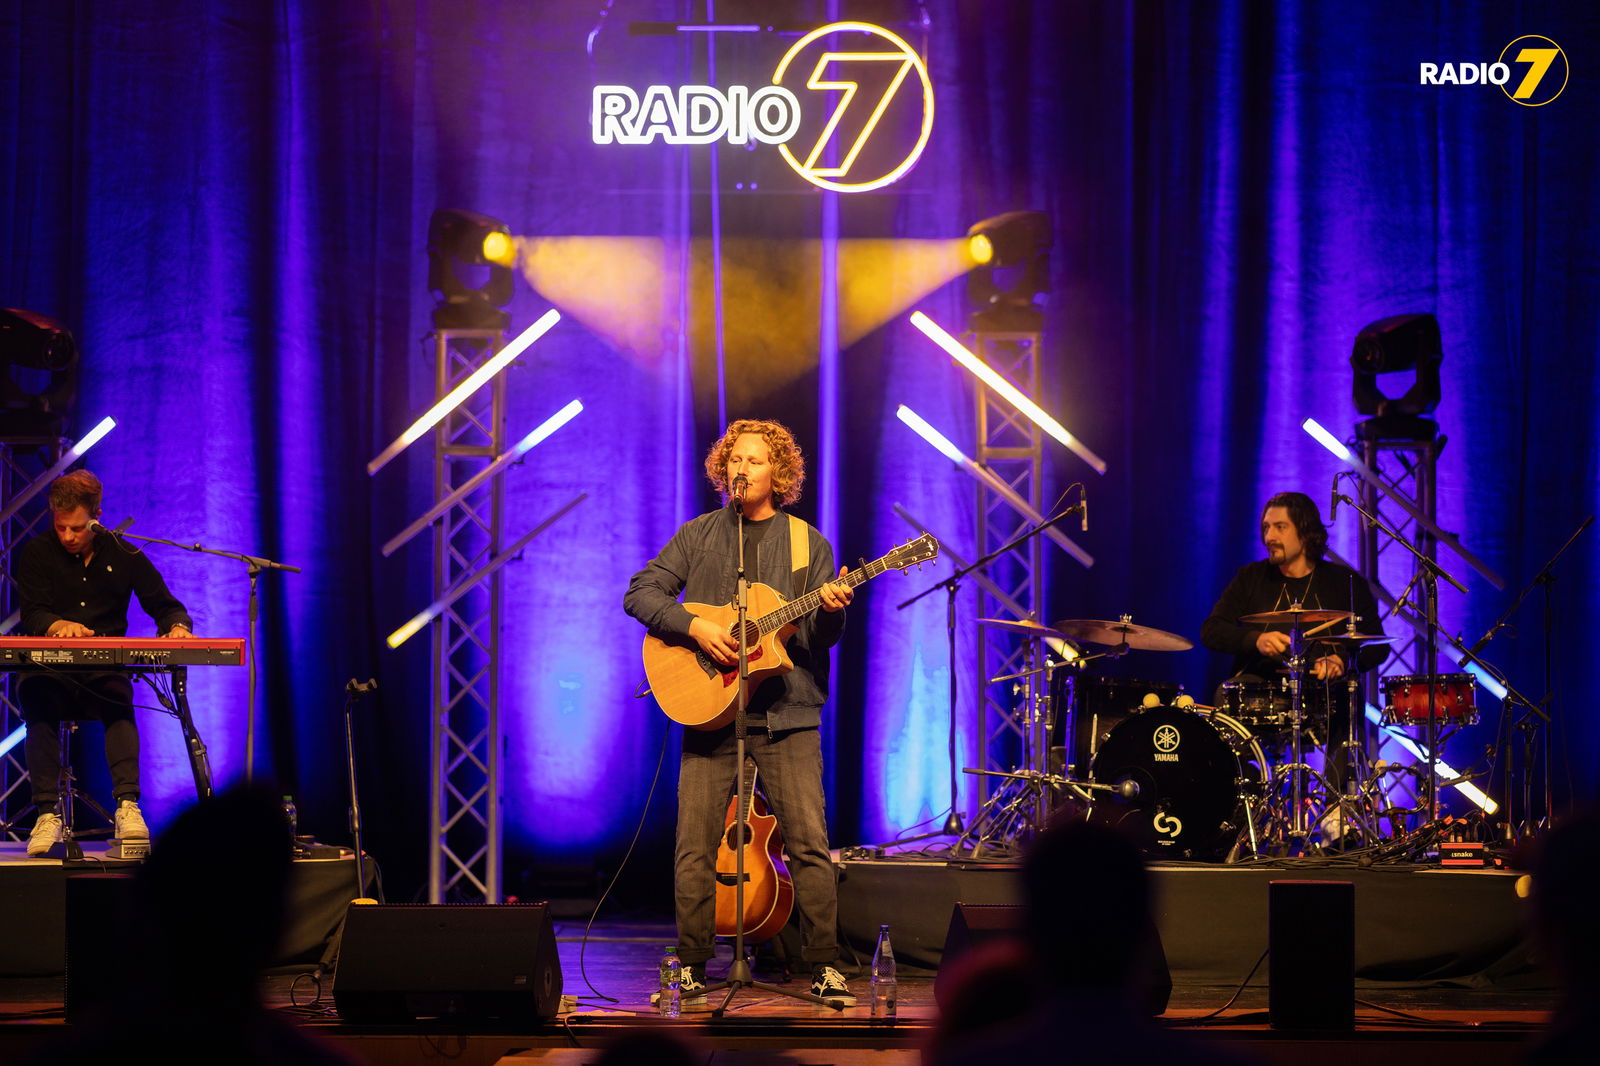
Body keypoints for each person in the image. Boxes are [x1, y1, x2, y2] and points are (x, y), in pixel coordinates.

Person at [624, 419, 856, 1005]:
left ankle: (824, 964)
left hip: (788, 716)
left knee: (807, 841)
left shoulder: (808, 544)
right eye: (733, 459)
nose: (741, 468)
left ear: (778, 472)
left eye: (754, 460)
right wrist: (697, 626)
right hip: (711, 709)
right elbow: (641, 593)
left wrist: (830, 609)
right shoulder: (700, 535)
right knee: (694, 844)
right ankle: (695, 963)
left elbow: (821, 639)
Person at [13, 469, 195, 857]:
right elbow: (33, 613)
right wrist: (57, 624)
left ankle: (127, 806)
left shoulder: (124, 554)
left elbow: (166, 605)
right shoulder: (37, 553)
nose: (67, 537)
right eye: (60, 527)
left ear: (97, 516)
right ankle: (47, 812)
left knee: (116, 693)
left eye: (77, 528)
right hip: (51, 670)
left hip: (102, 672)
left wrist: (177, 627)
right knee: (35, 692)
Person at [1200, 491, 1387, 823]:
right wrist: (1254, 639)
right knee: (1225, 694)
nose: (1269, 536)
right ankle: (1242, 811)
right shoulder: (1251, 578)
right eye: (1266, 527)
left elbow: (1377, 643)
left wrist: (1342, 660)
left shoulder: (1344, 582)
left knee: (1349, 700)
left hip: (1323, 690)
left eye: (1280, 527)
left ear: (1305, 531)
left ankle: (1335, 818)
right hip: (1264, 688)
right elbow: (1211, 630)